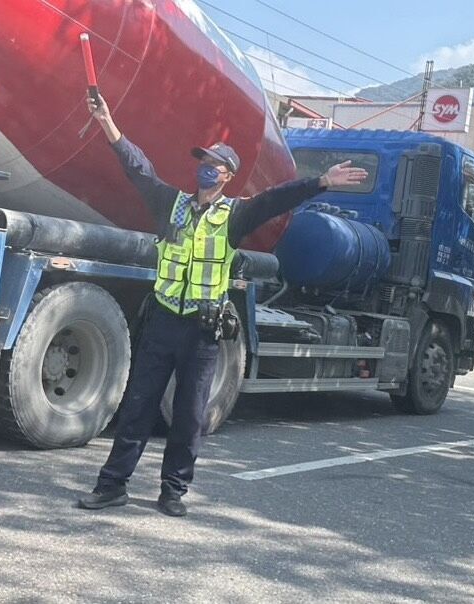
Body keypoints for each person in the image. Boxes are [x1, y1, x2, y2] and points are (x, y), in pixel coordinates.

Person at [77, 94, 367, 516]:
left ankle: (173, 491)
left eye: (214, 162)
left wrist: (320, 182)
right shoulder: (172, 205)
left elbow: (275, 200)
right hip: (162, 321)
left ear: (227, 175)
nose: (205, 165)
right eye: (203, 159)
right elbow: (138, 169)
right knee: (137, 407)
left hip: (202, 330)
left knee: (189, 416)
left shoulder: (234, 215)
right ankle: (112, 486)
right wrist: (109, 125)